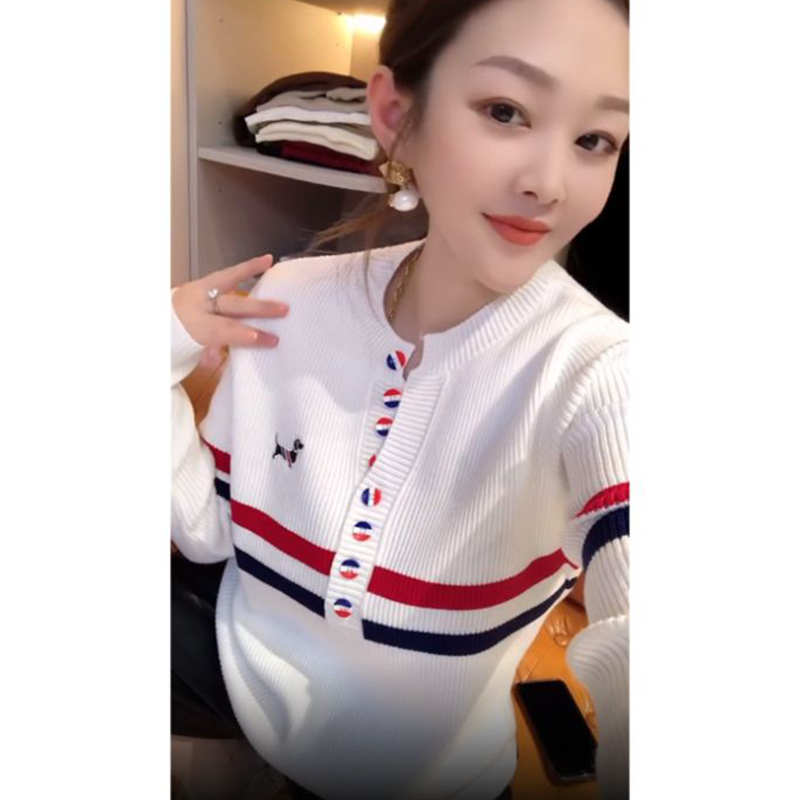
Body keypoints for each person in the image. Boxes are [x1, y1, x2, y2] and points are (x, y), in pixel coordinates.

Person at [170, 0, 630, 798]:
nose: (548, 185)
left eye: (596, 140)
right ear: (394, 115)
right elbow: (207, 532)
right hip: (233, 682)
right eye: (505, 111)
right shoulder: (288, 300)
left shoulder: (602, 374)